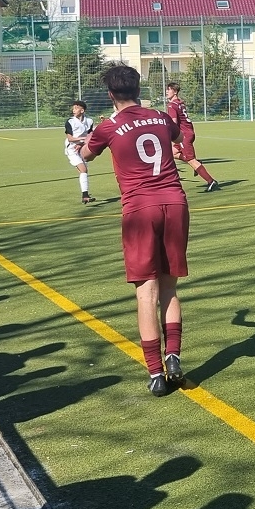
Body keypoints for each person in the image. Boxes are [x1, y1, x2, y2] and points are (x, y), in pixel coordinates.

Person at [81, 63, 190, 397]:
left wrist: (87, 140)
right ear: (139, 89)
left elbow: (86, 154)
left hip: (140, 209)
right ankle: (173, 356)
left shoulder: (109, 126)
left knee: (146, 291)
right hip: (175, 202)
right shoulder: (160, 117)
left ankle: (156, 373)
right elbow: (176, 138)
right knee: (169, 286)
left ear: (110, 94)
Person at [165, 83, 218, 192]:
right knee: (171, 153)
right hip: (188, 132)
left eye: (169, 90)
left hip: (183, 135)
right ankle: (197, 163)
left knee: (191, 160)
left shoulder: (171, 105)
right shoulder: (180, 103)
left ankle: (211, 181)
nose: (167, 92)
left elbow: (174, 123)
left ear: (175, 92)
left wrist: (167, 134)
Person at [64, 101, 97, 204]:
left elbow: (91, 136)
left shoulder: (89, 121)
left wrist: (82, 143)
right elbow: (70, 138)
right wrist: (83, 139)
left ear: (82, 110)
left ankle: (85, 195)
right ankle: (85, 195)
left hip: (82, 148)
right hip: (72, 149)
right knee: (83, 170)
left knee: (84, 171)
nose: (73, 110)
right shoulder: (70, 121)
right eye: (73, 108)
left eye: (76, 108)